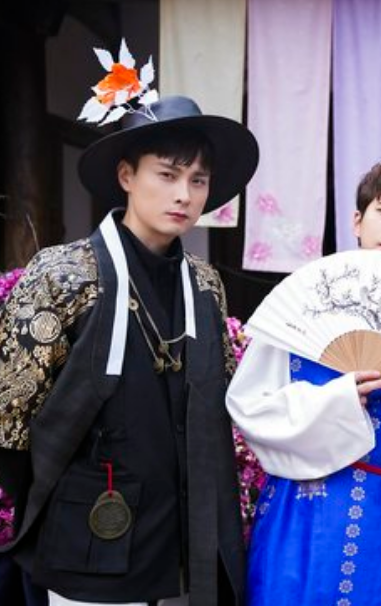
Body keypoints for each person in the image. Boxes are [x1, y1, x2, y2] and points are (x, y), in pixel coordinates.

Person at [0, 94, 259, 606]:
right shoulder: (64, 274)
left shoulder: (205, 285)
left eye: (198, 180)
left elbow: (221, 402)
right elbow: (11, 417)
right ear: (126, 175)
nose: (183, 194)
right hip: (90, 528)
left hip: (183, 536)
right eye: (167, 175)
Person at [227, 157, 381, 606]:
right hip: (301, 521)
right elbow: (249, 407)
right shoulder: (300, 304)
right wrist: (336, 401)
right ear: (357, 221)